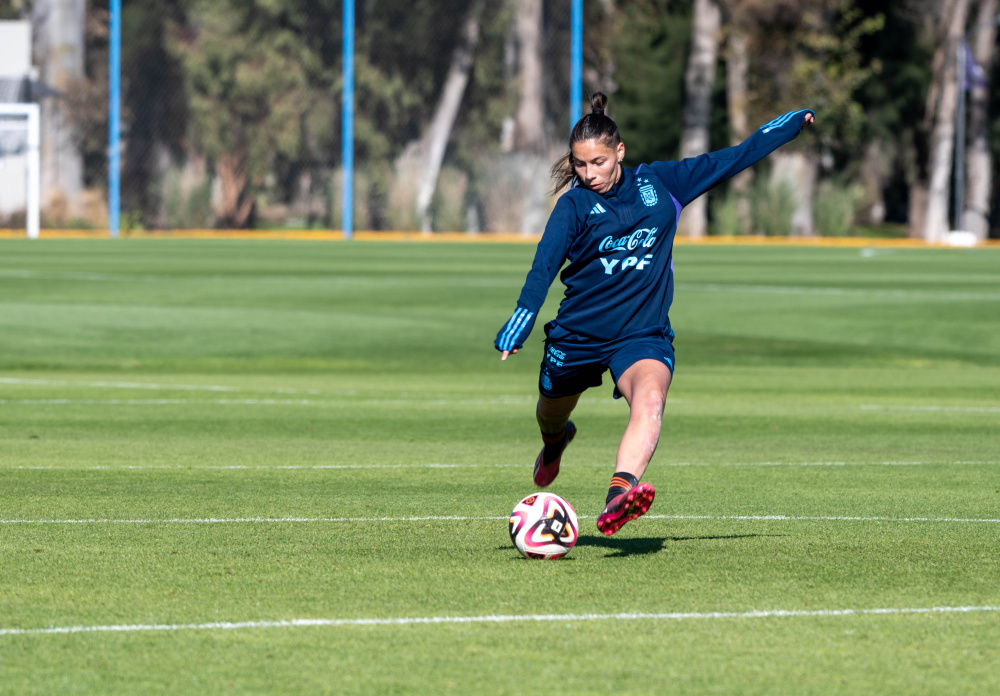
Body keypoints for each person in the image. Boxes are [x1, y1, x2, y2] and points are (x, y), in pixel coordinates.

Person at [495, 92, 814, 536]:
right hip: (578, 335)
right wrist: (523, 317)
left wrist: (789, 126)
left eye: (599, 162)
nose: (589, 174)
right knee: (550, 414)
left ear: (620, 152)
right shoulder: (574, 206)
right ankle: (555, 442)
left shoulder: (662, 184)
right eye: (580, 165)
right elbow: (544, 265)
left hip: (641, 334)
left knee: (651, 401)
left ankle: (618, 496)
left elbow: (732, 159)